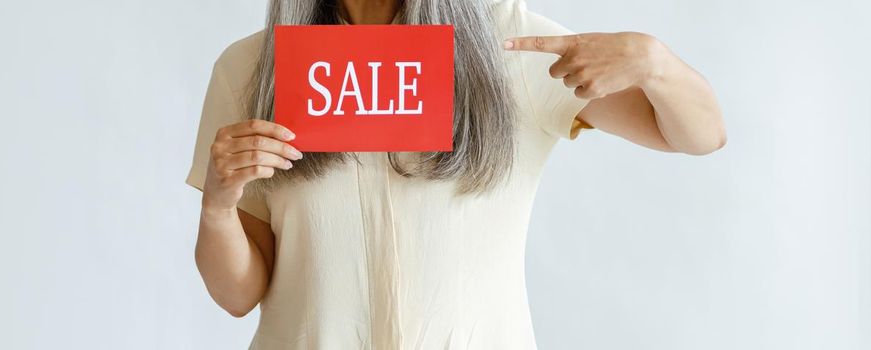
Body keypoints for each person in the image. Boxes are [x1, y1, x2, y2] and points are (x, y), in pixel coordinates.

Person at [185, 0, 725, 348]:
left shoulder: (508, 46)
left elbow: (699, 135)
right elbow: (239, 294)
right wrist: (218, 205)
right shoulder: (253, 68)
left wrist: (656, 63)